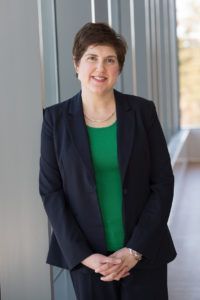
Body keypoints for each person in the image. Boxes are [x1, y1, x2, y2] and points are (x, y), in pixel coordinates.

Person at [39, 22, 177, 300]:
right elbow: (51, 191)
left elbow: (162, 182)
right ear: (76, 64)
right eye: (92, 58)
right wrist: (85, 256)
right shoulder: (55, 120)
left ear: (118, 68)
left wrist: (134, 250)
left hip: (144, 253)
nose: (100, 68)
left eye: (110, 60)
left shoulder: (142, 112)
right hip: (90, 260)